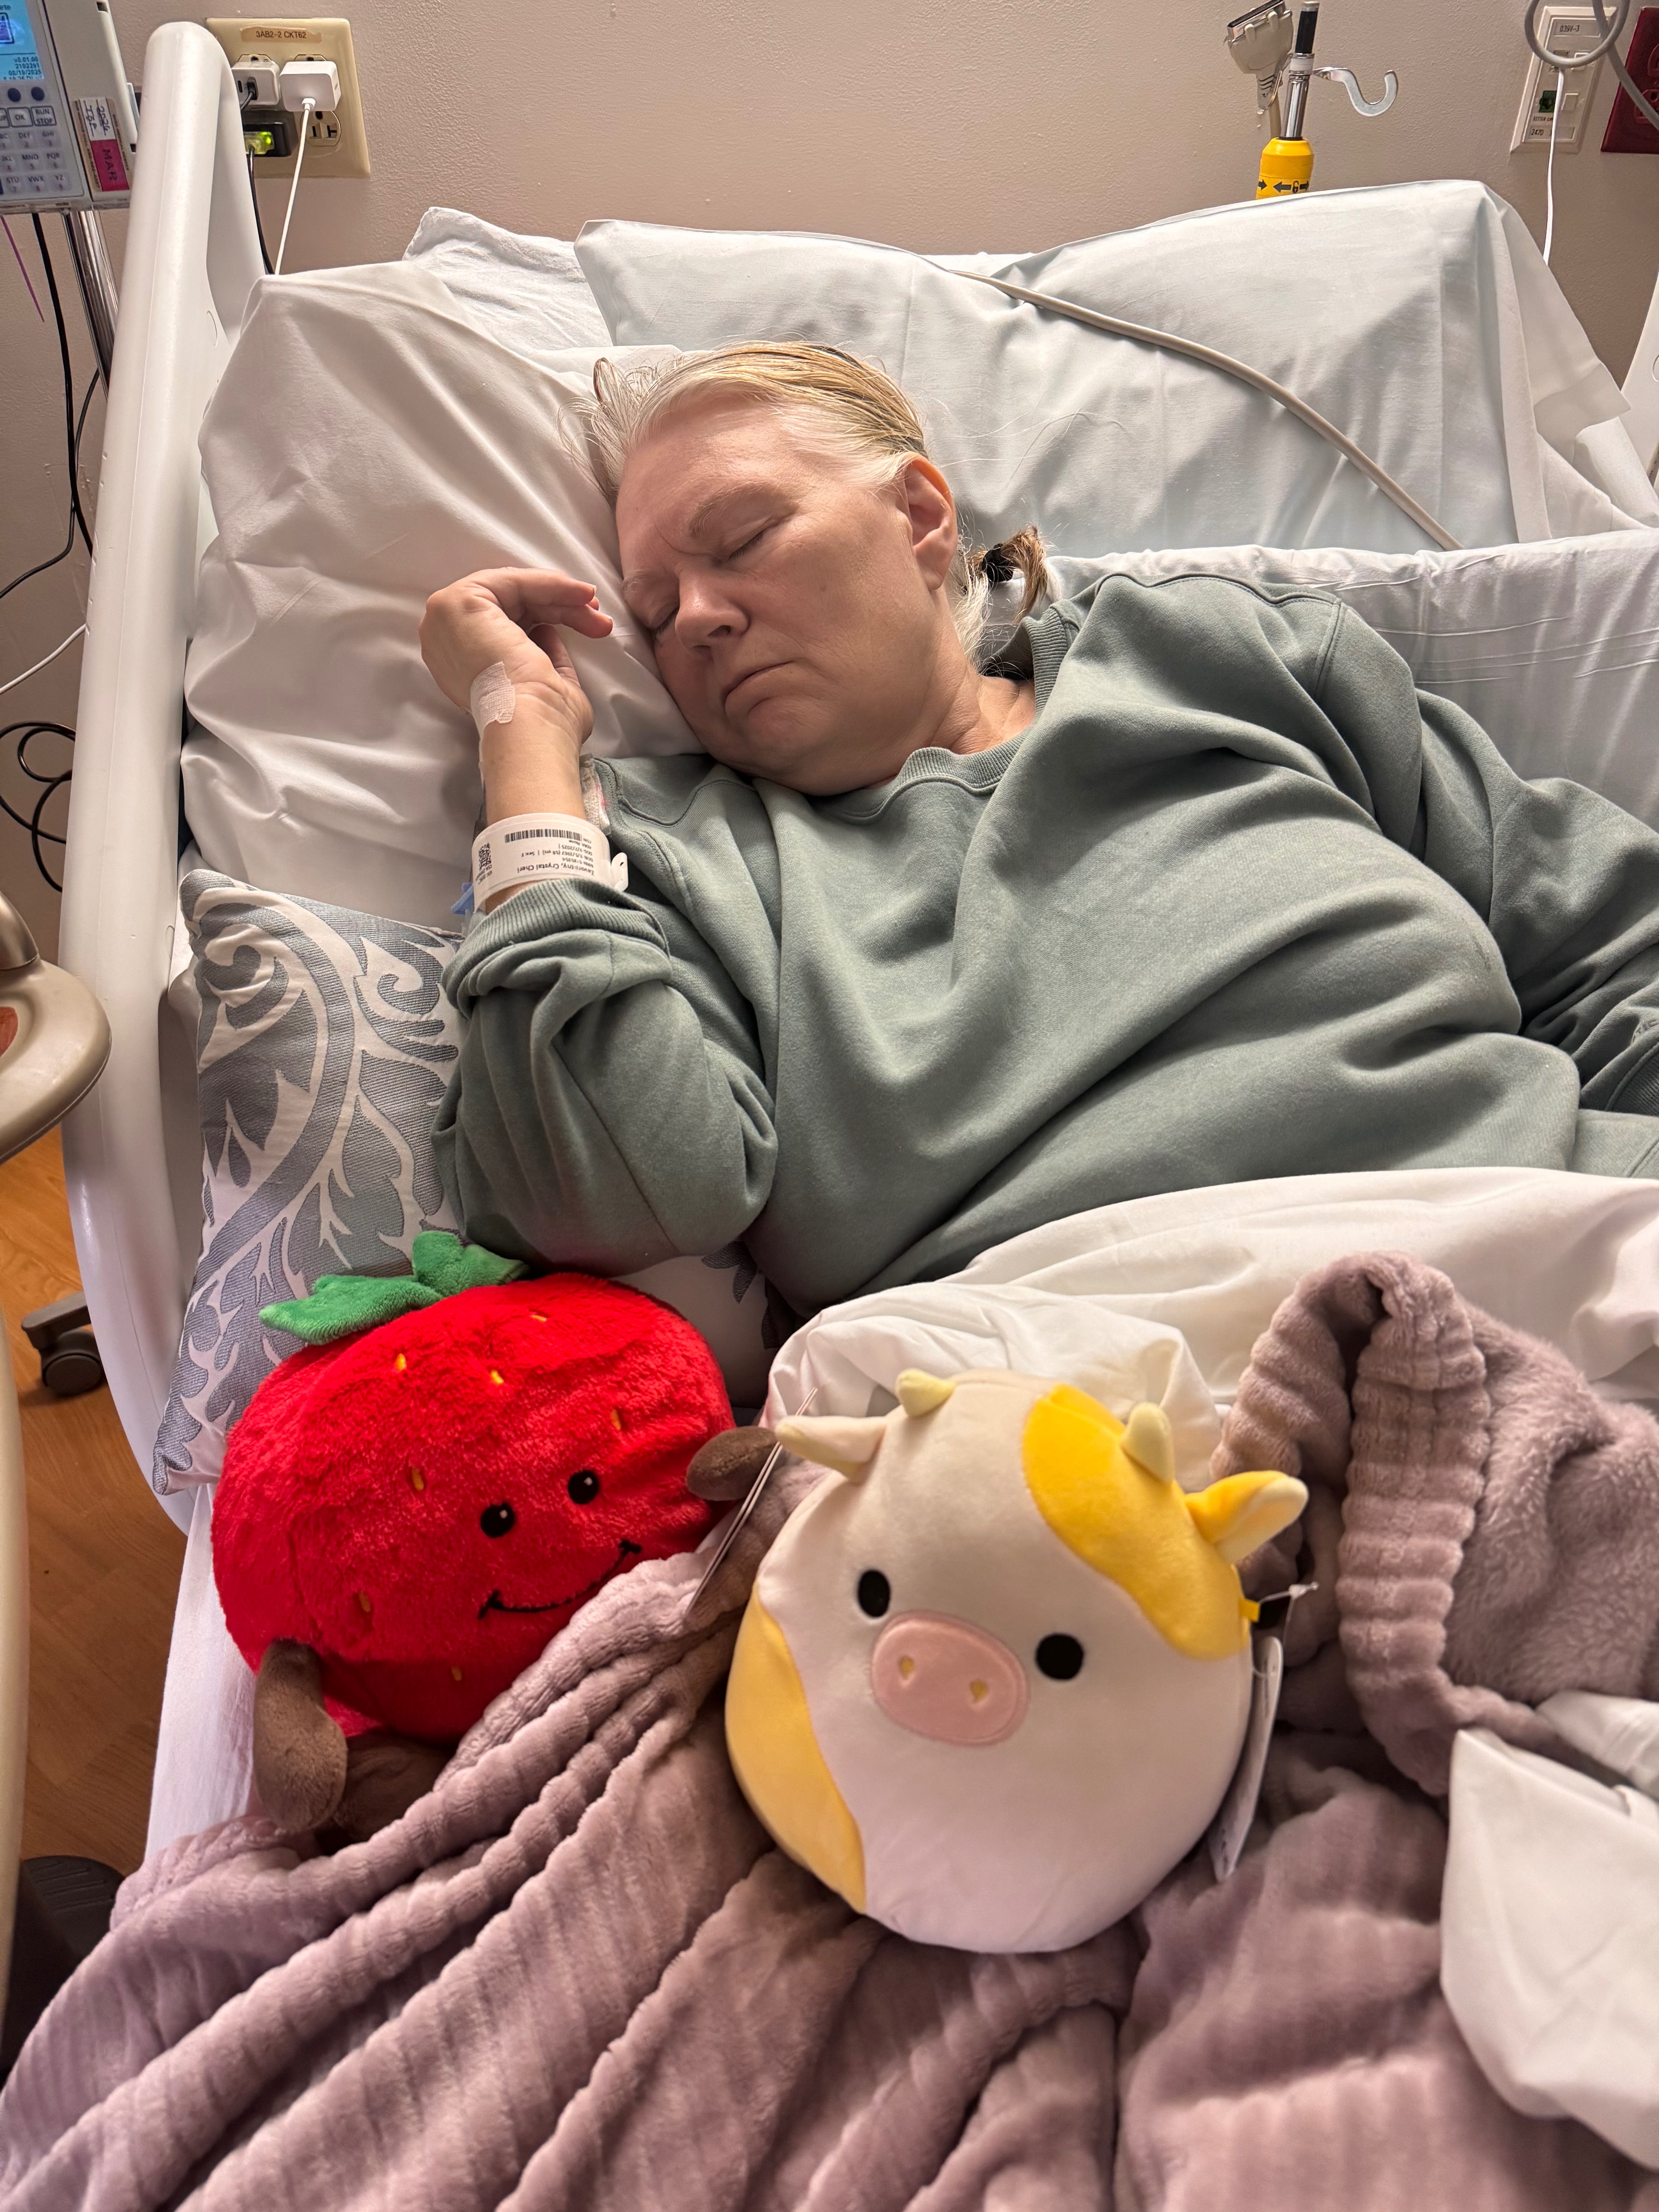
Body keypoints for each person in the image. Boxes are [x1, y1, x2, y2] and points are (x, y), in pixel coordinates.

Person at [419, 342, 1659, 1320]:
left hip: (1552, 1247)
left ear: (920, 517)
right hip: (1090, 1406)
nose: (695, 618)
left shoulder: (1205, 656)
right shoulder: (685, 860)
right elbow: (605, 1192)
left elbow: (1608, 946)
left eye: (741, 542)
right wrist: (521, 733)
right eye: (651, 612)